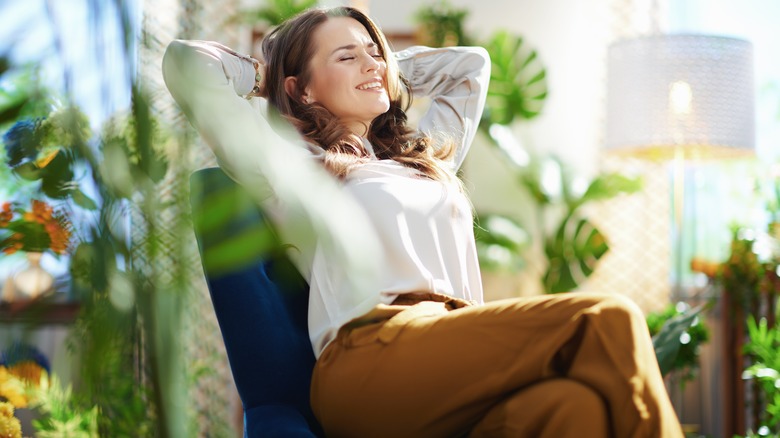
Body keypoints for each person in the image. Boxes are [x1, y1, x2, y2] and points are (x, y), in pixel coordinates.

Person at [163, 6, 684, 438]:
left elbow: (471, 67)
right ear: (303, 89)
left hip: (453, 346)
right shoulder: (290, 168)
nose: (371, 64)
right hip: (369, 358)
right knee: (606, 319)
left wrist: (376, 68)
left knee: (574, 408)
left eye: (376, 53)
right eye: (348, 56)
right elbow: (186, 63)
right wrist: (271, 78)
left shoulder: (425, 161)